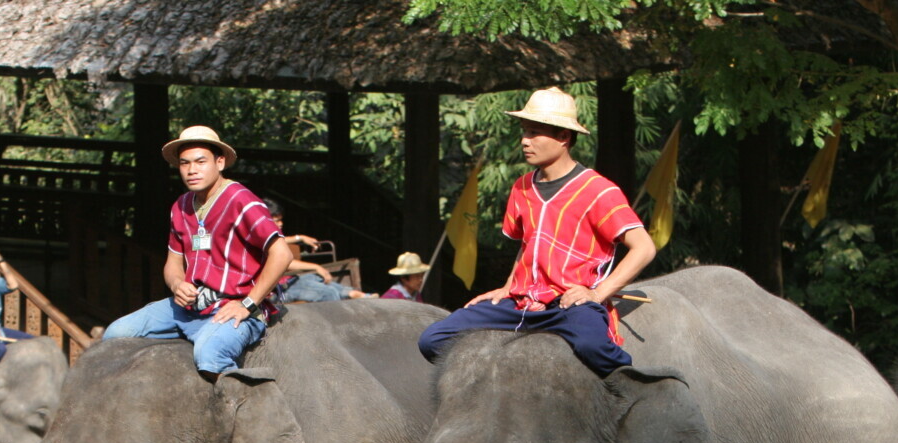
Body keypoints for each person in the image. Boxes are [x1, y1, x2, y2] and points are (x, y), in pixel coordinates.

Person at [417, 87, 656, 376]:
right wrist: (507, 287)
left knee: (592, 346)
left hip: (568, 304)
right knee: (433, 339)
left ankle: (636, 389)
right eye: (524, 131)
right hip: (521, 302)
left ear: (564, 137)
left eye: (534, 133)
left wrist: (597, 294)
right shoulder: (521, 187)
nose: (524, 141)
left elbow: (644, 248)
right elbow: (527, 245)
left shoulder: (598, 190)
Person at [102, 125, 293, 378]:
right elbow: (173, 262)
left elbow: (282, 254)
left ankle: (242, 400)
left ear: (220, 162)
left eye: (201, 162)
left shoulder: (242, 201)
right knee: (115, 333)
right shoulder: (180, 206)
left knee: (210, 354)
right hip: (190, 306)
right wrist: (177, 284)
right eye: (185, 163)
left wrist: (247, 304)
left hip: (232, 306)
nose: (192, 170)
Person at [263, 198, 368, 303]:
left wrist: (300, 237)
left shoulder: (271, 238)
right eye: (277, 221)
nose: (281, 224)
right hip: (280, 290)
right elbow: (284, 262)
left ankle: (351, 293)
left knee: (315, 278)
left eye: (281, 220)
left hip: (291, 280)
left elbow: (280, 240)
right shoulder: (263, 242)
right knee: (329, 293)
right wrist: (316, 267)